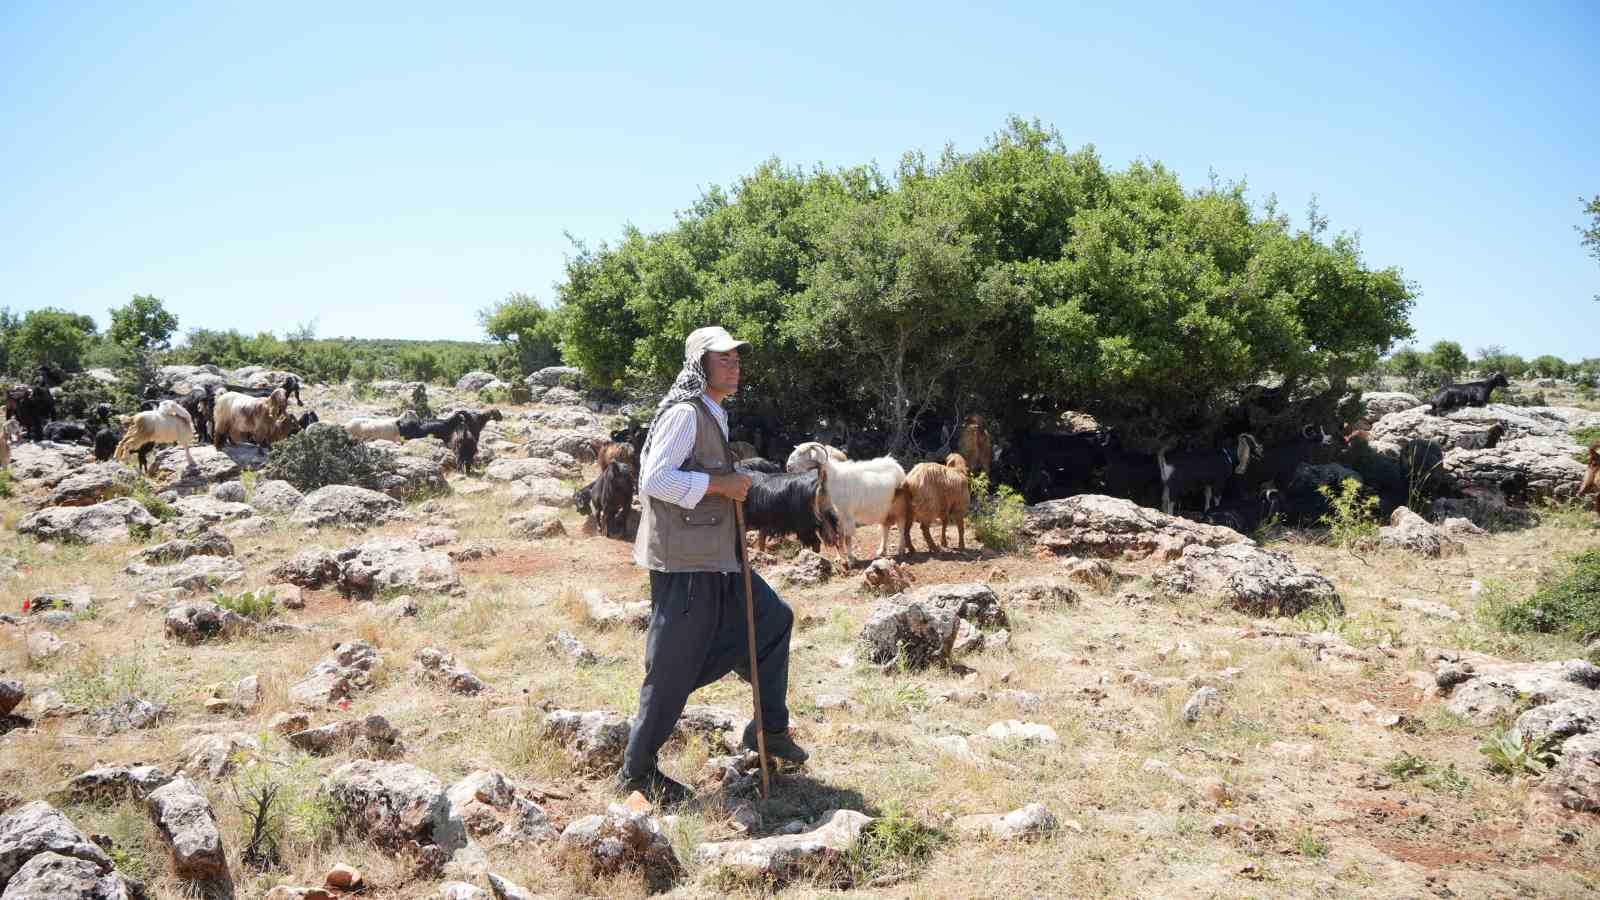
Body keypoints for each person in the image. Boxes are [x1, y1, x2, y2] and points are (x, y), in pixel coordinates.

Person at [618, 326, 808, 805]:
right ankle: (637, 773)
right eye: (723, 358)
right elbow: (654, 479)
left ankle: (770, 728)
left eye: (737, 357)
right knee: (671, 668)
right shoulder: (684, 413)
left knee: (772, 619)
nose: (734, 365)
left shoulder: (713, 413)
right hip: (685, 564)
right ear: (699, 364)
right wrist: (722, 485)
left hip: (719, 558)